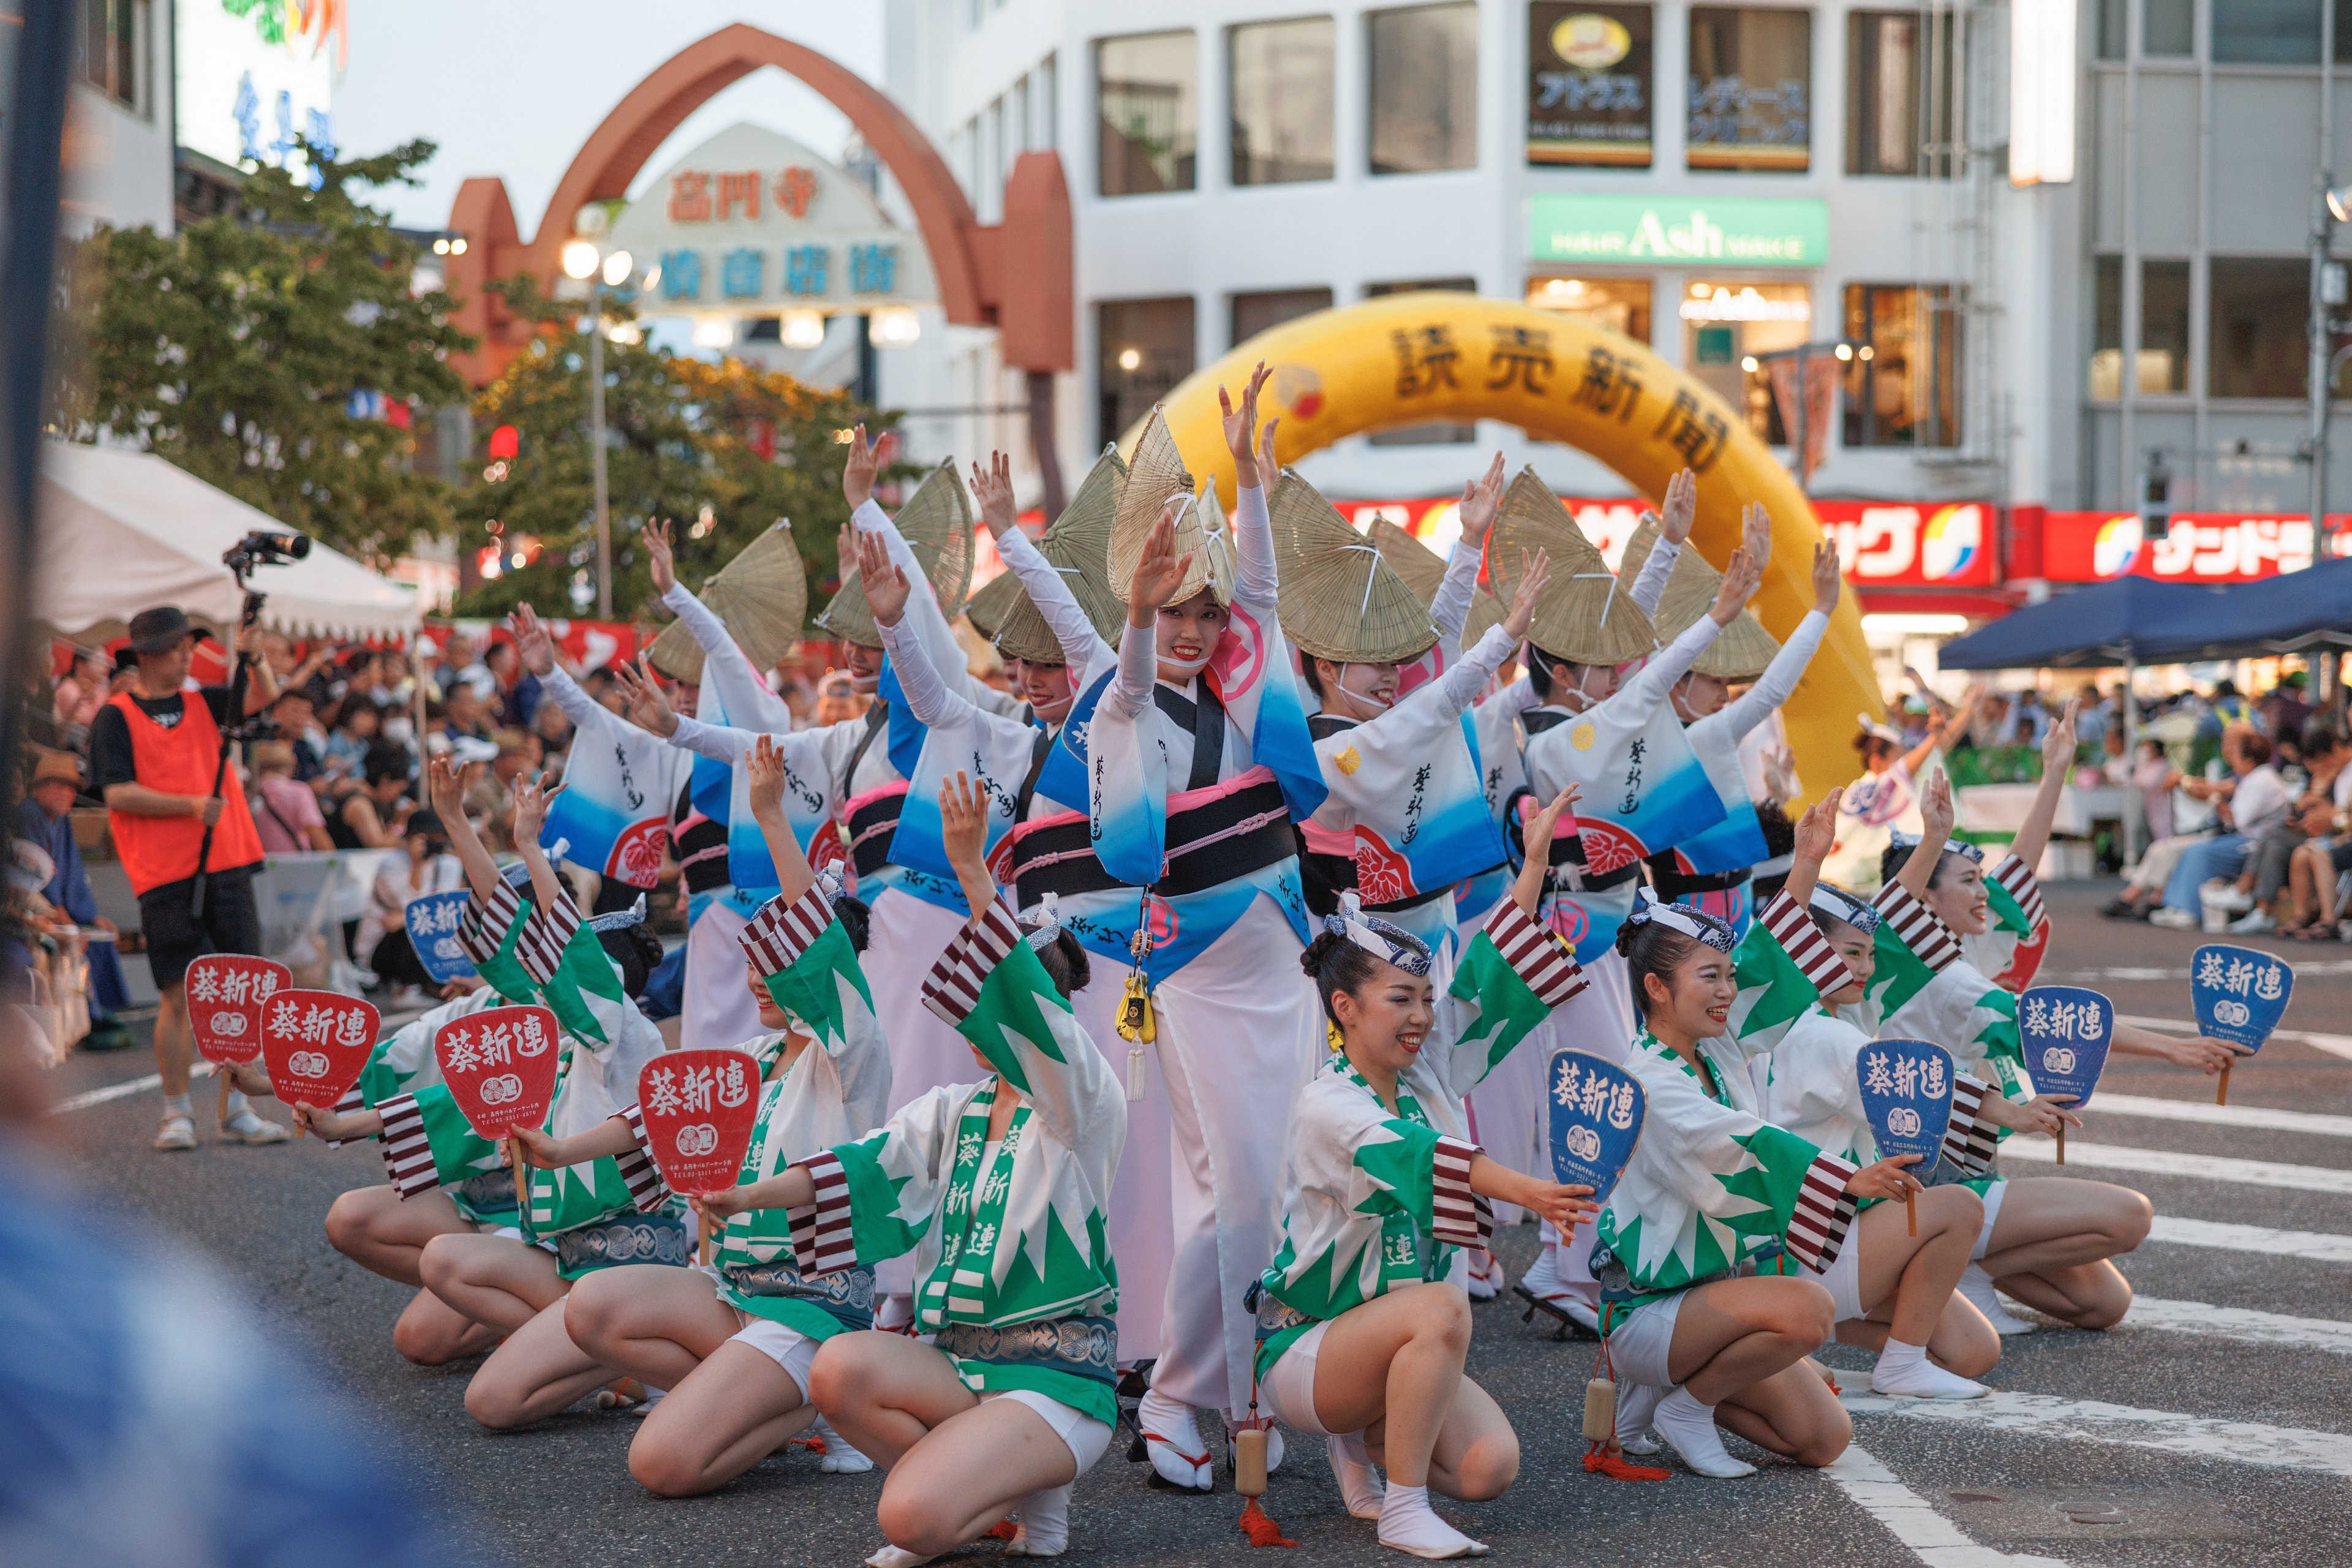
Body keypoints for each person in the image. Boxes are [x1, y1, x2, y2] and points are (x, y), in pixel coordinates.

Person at [706, 771, 1122, 1564]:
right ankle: (999, 1489)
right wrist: (742, 1195)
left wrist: (973, 874)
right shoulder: (954, 1112)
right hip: (963, 1364)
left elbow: (1040, 1025)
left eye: (994, 1007)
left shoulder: (1081, 1107)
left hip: (1056, 1378)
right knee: (841, 1367)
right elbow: (865, 1166)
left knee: (909, 1520)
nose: (979, 1025)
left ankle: (1008, 1483)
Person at [1255, 786, 1593, 1556]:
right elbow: (1417, 1157)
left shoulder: (1427, 1076)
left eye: (1424, 999)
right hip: (1309, 1345)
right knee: (1442, 1307)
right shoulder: (1325, 1104)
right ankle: (1404, 1509)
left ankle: (1364, 1444)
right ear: (1344, 1007)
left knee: (1488, 1470)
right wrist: (1528, 1189)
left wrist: (1533, 863)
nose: (1421, 1016)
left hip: (1388, 1337)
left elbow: (1489, 976)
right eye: (1399, 998)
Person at [557, 734, 891, 1496]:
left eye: (785, 964)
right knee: (593, 1308)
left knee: (660, 1465)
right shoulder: (745, 1056)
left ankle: (811, 1399)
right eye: (756, 963)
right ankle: (769, 1402)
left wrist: (772, 818)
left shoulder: (853, 1052)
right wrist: (553, 1151)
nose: (765, 979)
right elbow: (652, 1124)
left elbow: (819, 949)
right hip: (731, 1288)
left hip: (808, 1308)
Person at [1589, 892, 1909, 1480]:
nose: (1728, 991)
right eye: (1709, 976)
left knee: (1824, 1439)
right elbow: (1737, 1141)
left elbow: (1773, 959)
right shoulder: (1649, 1083)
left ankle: (1667, 1398)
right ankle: (1688, 1405)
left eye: (1730, 976)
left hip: (1708, 1306)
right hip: (1648, 1310)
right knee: (1811, 1310)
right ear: (1657, 988)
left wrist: (1806, 864)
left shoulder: (1715, 1052)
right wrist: (1845, 1179)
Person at [90, 604, 288, 1152]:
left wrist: (252, 656)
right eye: (179, 647)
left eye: (188, 647)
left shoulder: (204, 702)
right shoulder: (116, 716)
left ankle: (237, 1108)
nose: (187, 655)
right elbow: (117, 793)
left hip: (227, 860)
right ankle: (176, 1111)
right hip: (165, 872)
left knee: (243, 993)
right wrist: (188, 805)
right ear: (150, 653)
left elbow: (262, 694)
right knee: (178, 994)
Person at [16, 750, 134, 1049]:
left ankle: (99, 1013)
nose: (66, 793)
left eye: (71, 788)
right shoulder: (28, 815)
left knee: (101, 937)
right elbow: (33, 876)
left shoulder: (63, 821)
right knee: (70, 942)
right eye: (58, 785)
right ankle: (88, 1019)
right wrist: (62, 916)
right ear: (39, 787)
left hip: (61, 908)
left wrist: (92, 917)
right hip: (33, 908)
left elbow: (73, 874)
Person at [1823, 683, 1980, 892]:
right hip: (1859, 881)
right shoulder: (1893, 778)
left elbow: (1939, 746)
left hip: (1832, 875)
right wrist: (1944, 727)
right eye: (1902, 751)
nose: (1910, 755)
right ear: (1878, 760)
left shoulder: (1858, 786)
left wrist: (1967, 712)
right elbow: (1938, 744)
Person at [2152, 724, 2290, 928]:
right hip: (2244, 838)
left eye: (2235, 753)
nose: (2230, 757)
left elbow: (2238, 821)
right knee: (2192, 850)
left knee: (2201, 852)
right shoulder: (2252, 778)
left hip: (2252, 843)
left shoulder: (2262, 781)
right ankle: (2176, 906)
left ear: (2249, 759)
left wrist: (2215, 799)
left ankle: (2190, 910)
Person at [358, 809, 462, 1007]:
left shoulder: (450, 864)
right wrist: (417, 865)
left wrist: (404, 916)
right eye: (427, 837)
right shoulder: (391, 864)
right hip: (381, 948)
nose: (434, 842)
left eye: (439, 837)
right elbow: (413, 908)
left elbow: (444, 909)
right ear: (410, 838)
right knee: (414, 925)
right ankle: (406, 988)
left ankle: (440, 984)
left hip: (426, 942)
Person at [251, 740, 335, 854]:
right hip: (294, 865)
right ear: (291, 766)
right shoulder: (299, 792)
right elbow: (315, 831)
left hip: (260, 865)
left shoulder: (248, 793)